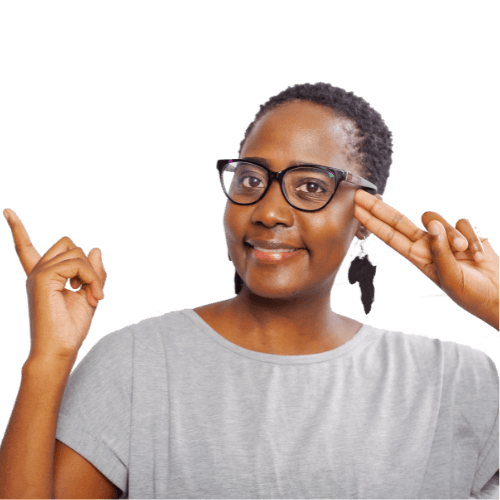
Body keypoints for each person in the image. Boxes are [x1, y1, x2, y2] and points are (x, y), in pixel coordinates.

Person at [0, 82, 498, 499]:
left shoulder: (457, 380)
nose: (269, 211)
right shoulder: (135, 364)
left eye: (309, 186)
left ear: (367, 214)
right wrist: (49, 358)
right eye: (251, 179)